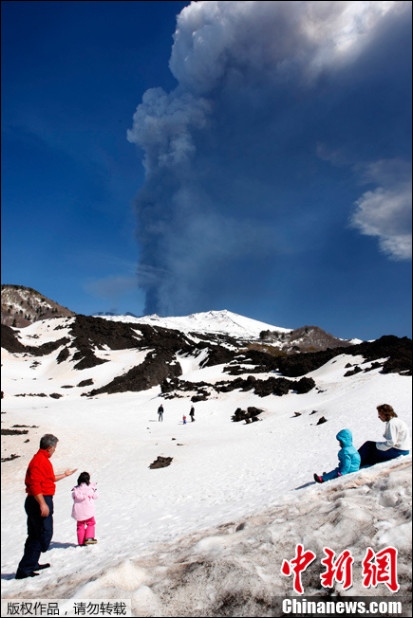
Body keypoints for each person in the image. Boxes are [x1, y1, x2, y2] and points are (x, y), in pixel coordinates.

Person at [15, 434, 77, 579]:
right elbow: (34, 484)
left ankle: (31, 563)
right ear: (49, 448)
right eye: (54, 447)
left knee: (35, 534)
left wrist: (65, 475)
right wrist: (42, 503)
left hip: (38, 500)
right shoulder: (39, 461)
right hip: (39, 500)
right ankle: (25, 569)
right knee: (42, 533)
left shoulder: (42, 460)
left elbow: (48, 479)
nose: (55, 450)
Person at [71, 471, 98, 546]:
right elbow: (95, 496)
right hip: (88, 510)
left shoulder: (76, 489)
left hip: (78, 511)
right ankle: (89, 538)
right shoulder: (90, 488)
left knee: (80, 525)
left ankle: (81, 542)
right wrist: (94, 490)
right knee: (91, 523)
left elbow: (73, 496)